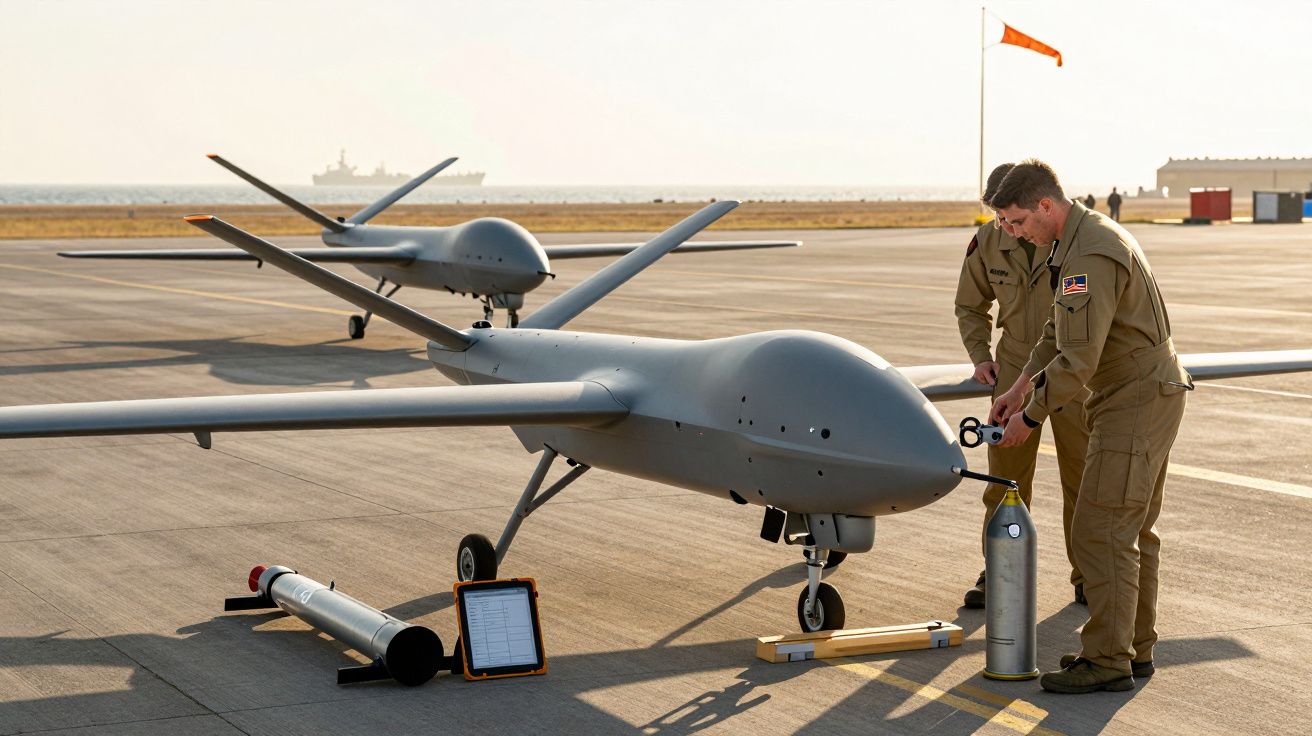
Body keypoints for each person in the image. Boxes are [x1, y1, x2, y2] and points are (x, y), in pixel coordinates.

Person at [988, 160, 1190, 694]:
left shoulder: (1090, 253)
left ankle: (1106, 659)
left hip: (1134, 395)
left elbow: (1078, 359)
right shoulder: (1076, 241)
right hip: (1138, 390)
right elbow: (1057, 329)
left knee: (1101, 529)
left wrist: (1029, 418)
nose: (1013, 233)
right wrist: (1019, 387)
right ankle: (1132, 648)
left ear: (1045, 206)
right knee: (1130, 529)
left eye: (1016, 221)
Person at [954, 163, 1089, 611]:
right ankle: (1000, 570)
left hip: (1073, 371)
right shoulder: (988, 241)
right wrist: (980, 355)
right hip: (1014, 369)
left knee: (1083, 480)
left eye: (1011, 217)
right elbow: (969, 305)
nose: (1006, 227)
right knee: (1004, 482)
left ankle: (1090, 575)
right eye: (998, 217)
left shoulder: (1072, 239)